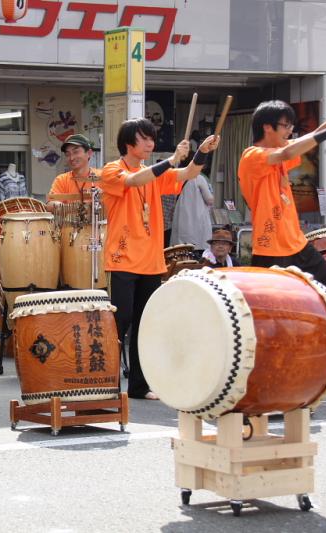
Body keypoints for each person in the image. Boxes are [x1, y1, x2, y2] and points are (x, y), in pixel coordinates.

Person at [102, 119, 219, 400]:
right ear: (128, 142)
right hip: (122, 259)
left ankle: (139, 386)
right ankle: (106, 383)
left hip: (151, 261)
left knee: (146, 324)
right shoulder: (112, 169)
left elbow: (189, 173)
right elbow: (133, 181)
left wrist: (201, 152)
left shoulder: (155, 173)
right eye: (144, 138)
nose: (150, 143)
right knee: (120, 321)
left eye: (152, 138)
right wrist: (170, 160)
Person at [238, 99, 326, 316]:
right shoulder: (252, 156)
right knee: (270, 313)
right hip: (270, 249)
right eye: (286, 125)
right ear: (267, 127)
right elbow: (288, 153)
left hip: (298, 244)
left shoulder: (280, 150)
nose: (290, 131)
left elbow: (313, 136)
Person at [169, 163, 214, 254]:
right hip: (197, 221)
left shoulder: (177, 178)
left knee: (181, 252)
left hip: (180, 220)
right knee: (197, 251)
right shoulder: (199, 178)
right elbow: (209, 200)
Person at [47, 134, 101, 206]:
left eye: (76, 152)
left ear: (89, 153)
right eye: (67, 154)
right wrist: (70, 208)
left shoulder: (103, 177)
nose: (71, 158)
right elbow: (50, 204)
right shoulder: (62, 180)